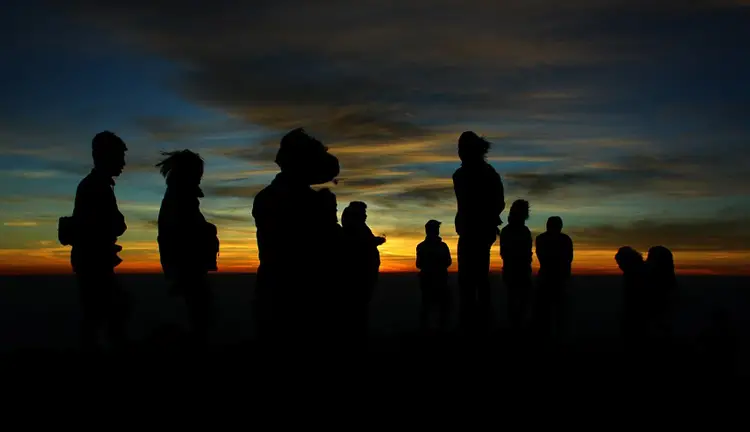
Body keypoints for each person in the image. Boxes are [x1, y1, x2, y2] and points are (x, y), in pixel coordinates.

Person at [252, 128, 340, 348]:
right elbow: (313, 246)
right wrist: (326, 215)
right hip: (295, 295)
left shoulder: (269, 197)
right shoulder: (300, 201)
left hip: (280, 292)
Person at [70, 131, 130, 351]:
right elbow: (110, 225)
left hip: (93, 262)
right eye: (119, 157)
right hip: (94, 264)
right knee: (105, 313)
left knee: (102, 313)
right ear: (106, 157)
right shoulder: (96, 187)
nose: (123, 163)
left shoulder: (97, 185)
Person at [156, 150, 219, 345]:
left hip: (187, 268)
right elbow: (179, 236)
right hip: (189, 269)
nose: (200, 179)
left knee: (199, 315)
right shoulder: (180, 199)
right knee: (199, 316)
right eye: (197, 174)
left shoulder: (181, 197)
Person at [452, 131, 505, 333]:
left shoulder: (483, 174)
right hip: (471, 232)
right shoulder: (463, 175)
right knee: (471, 279)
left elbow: (497, 203)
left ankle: (478, 323)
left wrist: (483, 219)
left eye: (462, 148)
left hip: (478, 233)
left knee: (475, 279)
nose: (459, 153)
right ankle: (473, 322)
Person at [341, 201, 385, 341]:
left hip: (364, 275)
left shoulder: (358, 227)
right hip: (358, 277)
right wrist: (375, 241)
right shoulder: (353, 228)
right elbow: (358, 245)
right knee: (357, 310)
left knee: (359, 309)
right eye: (363, 213)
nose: (366, 216)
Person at [534, 216, 573, 340]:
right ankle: (556, 338)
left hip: (549, 278)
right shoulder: (565, 239)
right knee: (556, 312)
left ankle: (549, 337)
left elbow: (567, 258)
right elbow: (569, 259)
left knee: (548, 312)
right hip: (556, 278)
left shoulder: (541, 239)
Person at [499, 199, 532, 334]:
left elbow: (504, 252)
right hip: (516, 269)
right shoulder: (517, 231)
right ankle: (516, 327)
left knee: (517, 299)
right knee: (516, 299)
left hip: (516, 269)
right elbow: (505, 252)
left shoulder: (514, 230)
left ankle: (516, 326)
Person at [416, 220, 452, 332]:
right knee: (440, 306)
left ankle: (427, 329)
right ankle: (440, 329)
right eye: (436, 229)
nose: (437, 231)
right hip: (439, 279)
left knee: (428, 305)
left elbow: (419, 264)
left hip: (428, 279)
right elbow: (448, 262)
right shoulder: (442, 246)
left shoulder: (421, 246)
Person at [615, 246, 646, 346]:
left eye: (620, 263)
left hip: (640, 316)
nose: (619, 266)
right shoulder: (634, 271)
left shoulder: (635, 274)